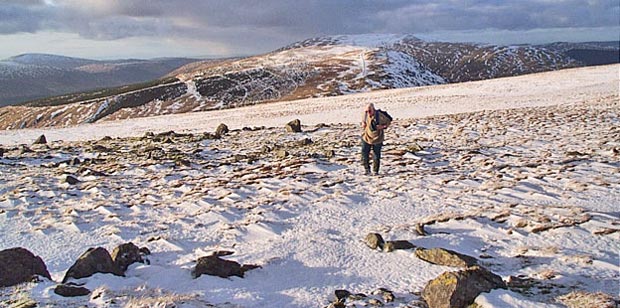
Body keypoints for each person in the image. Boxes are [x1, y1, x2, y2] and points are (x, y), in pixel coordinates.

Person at [361, 103, 391, 175]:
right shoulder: (365, 114)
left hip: (378, 137)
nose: (368, 112)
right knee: (364, 153)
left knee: (376, 155)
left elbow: (388, 121)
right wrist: (363, 123)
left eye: (369, 110)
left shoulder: (380, 115)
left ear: (373, 109)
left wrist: (383, 126)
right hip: (366, 136)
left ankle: (375, 171)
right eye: (367, 110)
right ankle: (367, 169)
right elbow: (363, 121)